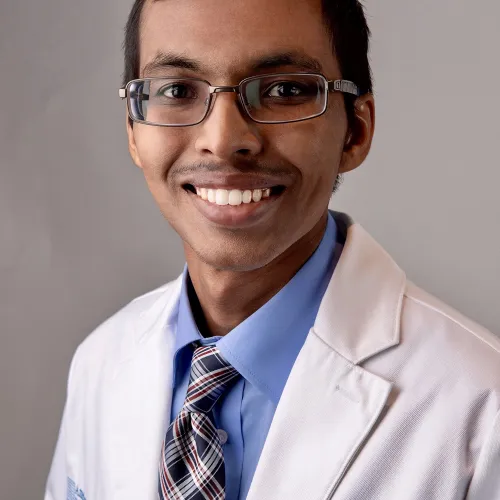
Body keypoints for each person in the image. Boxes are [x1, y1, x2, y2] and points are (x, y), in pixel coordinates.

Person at [45, 0, 500, 499]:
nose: (223, 140)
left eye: (284, 90)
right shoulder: (100, 363)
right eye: (177, 90)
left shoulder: (481, 408)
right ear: (134, 130)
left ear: (356, 130)